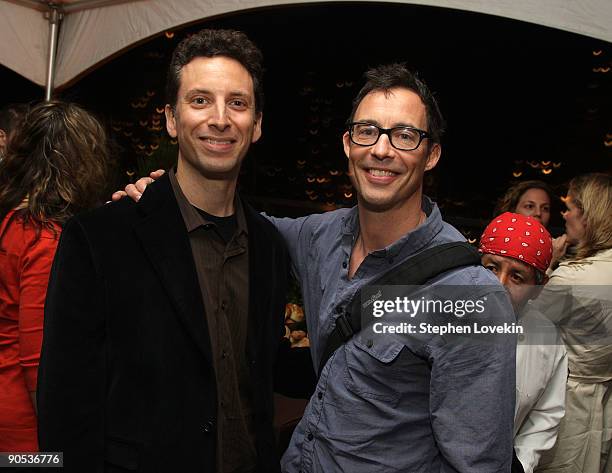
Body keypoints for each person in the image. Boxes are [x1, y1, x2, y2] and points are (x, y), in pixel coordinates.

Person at [122, 63, 517, 472]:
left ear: (431, 154)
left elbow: (480, 464)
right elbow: (239, 226)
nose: (382, 150)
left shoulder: (470, 297)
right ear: (348, 143)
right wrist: (167, 197)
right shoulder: (321, 237)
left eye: (404, 135)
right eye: (368, 131)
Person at [37, 29, 295, 473]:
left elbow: (263, 372)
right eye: (200, 101)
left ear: (256, 125)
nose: (220, 119)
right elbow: (64, 404)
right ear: (171, 120)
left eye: (237, 103)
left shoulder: (269, 246)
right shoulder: (98, 239)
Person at [0, 101, 111, 452]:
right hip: (27, 432)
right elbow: (38, 360)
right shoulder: (46, 241)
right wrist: (57, 445)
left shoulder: (15, 222)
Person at [479, 212, 568, 473]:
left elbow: (546, 413)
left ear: (538, 288)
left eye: (517, 277)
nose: (499, 284)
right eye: (491, 268)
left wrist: (521, 463)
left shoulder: (548, 340)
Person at [535, 173, 612, 473]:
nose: (563, 214)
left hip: (566, 402)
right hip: (605, 398)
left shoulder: (572, 277)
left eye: (570, 206)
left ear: (589, 213)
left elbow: (520, 326)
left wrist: (547, 263)